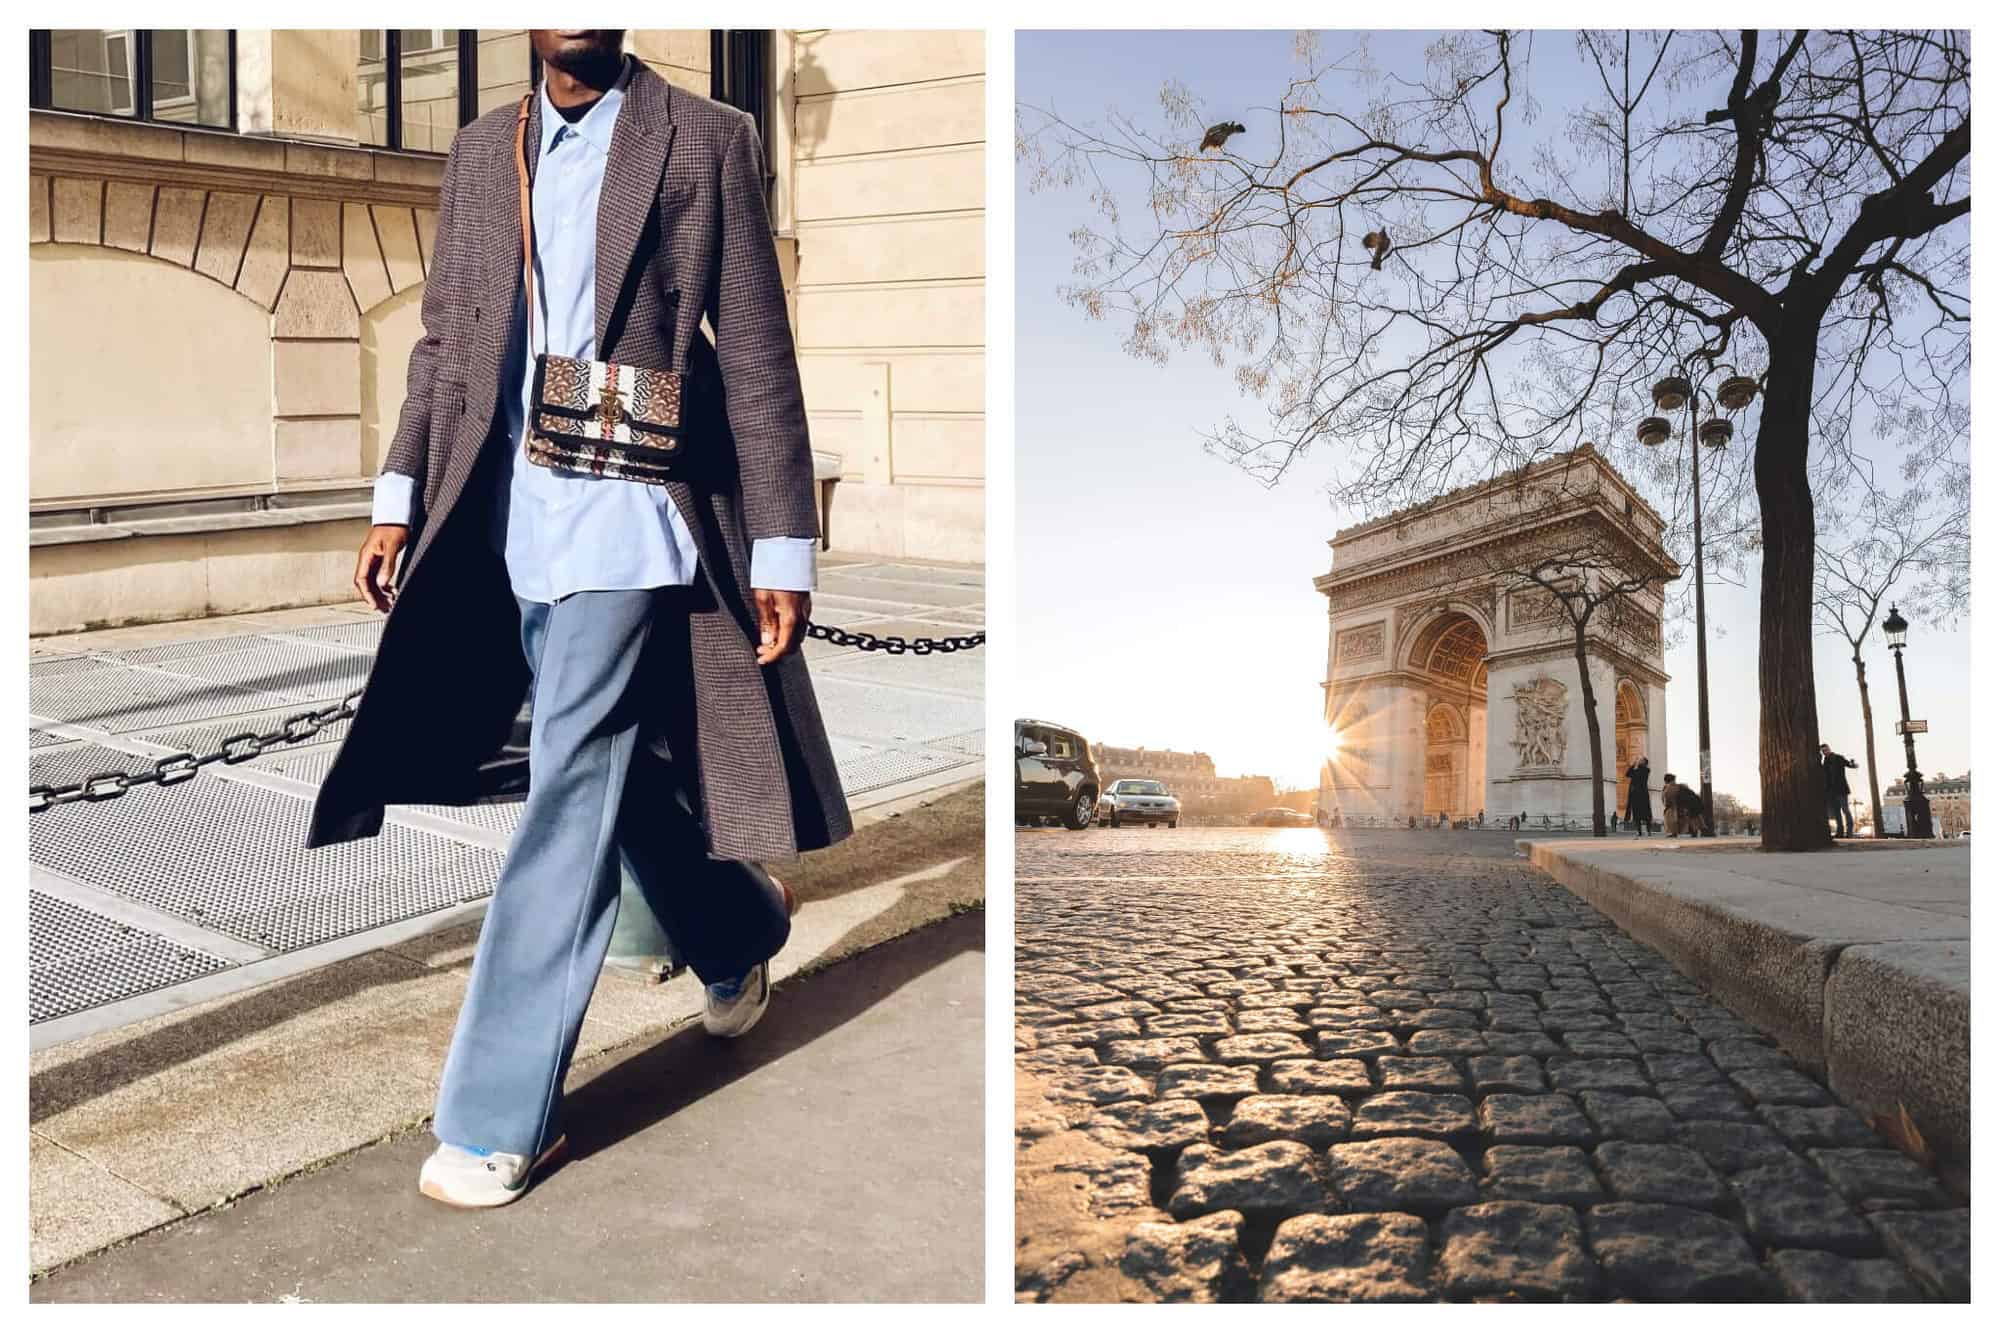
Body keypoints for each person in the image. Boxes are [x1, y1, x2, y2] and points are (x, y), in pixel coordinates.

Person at [308, 32, 851, 1209]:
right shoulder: (475, 153)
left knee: (564, 789)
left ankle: (498, 1113)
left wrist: (780, 543)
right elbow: (443, 341)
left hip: (628, 520)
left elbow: (755, 350)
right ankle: (736, 930)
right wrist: (396, 496)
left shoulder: (707, 138)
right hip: (502, 522)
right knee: (601, 770)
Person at [1821, 743, 1859, 837]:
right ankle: (1840, 832)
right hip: (1831, 791)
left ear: (1829, 749)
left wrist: (1853, 764)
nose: (1825, 752)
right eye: (1823, 751)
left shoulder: (1838, 758)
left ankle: (1850, 832)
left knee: (1845, 810)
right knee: (1836, 812)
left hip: (1841, 789)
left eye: (1826, 750)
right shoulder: (1824, 762)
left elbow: (1849, 764)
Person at [1625, 756, 1654, 837]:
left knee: (1647, 814)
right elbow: (1627, 774)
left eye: (1640, 760)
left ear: (1644, 762)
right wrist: (1633, 765)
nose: (1639, 761)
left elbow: (1637, 776)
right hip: (1635, 795)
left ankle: (1649, 831)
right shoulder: (1636, 769)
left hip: (1643, 795)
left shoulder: (1646, 770)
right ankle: (1639, 831)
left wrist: (1636, 767)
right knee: (1636, 814)